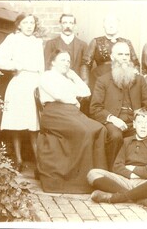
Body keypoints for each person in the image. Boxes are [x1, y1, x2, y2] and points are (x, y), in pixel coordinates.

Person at [37, 49, 108, 193]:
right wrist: (75, 102)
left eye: (68, 61)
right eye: (62, 60)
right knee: (85, 131)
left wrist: (74, 76)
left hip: (71, 113)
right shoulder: (46, 76)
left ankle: (99, 177)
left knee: (100, 129)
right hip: (54, 113)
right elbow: (58, 96)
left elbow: (86, 92)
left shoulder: (67, 78)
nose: (66, 63)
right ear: (53, 62)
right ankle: (79, 181)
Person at [90, 41, 147, 172]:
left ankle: (141, 172)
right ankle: (111, 172)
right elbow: (95, 108)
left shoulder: (139, 79)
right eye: (120, 54)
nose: (125, 57)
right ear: (112, 57)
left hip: (135, 121)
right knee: (115, 136)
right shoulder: (103, 80)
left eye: (127, 54)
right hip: (113, 122)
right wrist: (113, 119)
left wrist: (142, 119)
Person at [0, 13, 44, 172]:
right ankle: (19, 160)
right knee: (16, 123)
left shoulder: (37, 42)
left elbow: (41, 66)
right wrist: (14, 65)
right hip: (19, 82)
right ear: (19, 25)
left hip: (34, 83)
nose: (29, 25)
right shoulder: (12, 39)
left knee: (34, 124)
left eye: (32, 22)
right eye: (25, 22)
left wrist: (41, 84)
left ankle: (38, 163)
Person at [87, 108, 147, 207]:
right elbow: (117, 167)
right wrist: (136, 173)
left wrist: (131, 168)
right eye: (140, 122)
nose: (143, 126)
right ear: (134, 124)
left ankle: (116, 197)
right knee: (93, 173)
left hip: (144, 183)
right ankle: (140, 197)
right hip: (124, 180)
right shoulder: (126, 141)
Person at [43, 14, 89, 113]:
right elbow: (47, 67)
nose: (68, 26)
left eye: (71, 23)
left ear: (75, 25)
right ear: (60, 25)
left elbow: (85, 67)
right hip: (58, 87)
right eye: (65, 23)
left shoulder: (83, 45)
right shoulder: (51, 44)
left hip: (76, 87)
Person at [83, 14, 140, 90]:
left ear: (119, 26)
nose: (111, 25)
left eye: (113, 23)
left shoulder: (127, 42)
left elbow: (135, 64)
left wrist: (133, 76)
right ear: (104, 26)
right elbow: (85, 64)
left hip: (121, 79)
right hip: (100, 78)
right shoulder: (96, 41)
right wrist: (85, 84)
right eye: (108, 23)